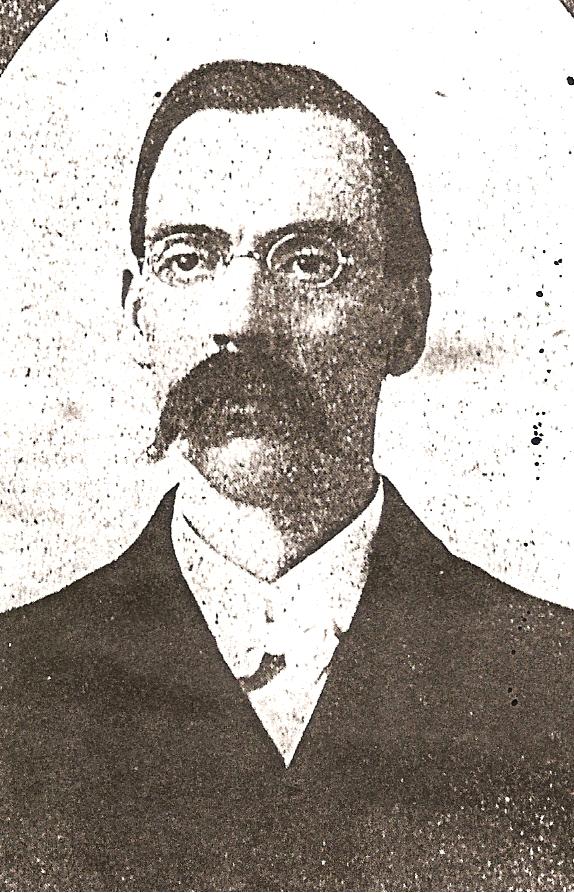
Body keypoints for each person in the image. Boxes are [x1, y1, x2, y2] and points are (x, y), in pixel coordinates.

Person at [0, 61, 572, 891]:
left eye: (307, 263)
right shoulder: (17, 691)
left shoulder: (552, 686)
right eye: (188, 260)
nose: (238, 320)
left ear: (405, 318)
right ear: (137, 314)